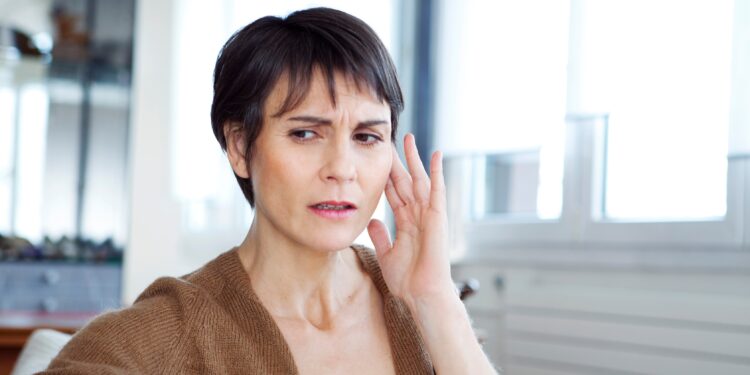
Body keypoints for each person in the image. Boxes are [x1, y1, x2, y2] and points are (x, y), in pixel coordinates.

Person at [43, 7, 497, 374]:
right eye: (305, 133)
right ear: (240, 146)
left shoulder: (422, 310)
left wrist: (435, 299)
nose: (342, 169)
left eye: (366, 137)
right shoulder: (171, 331)